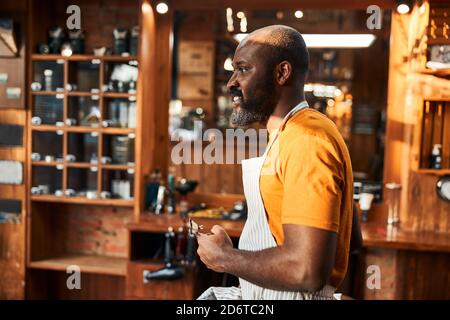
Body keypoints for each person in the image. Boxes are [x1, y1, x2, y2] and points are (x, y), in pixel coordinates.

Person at [197, 25, 354, 300]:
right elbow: (351, 239)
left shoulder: (307, 140)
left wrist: (225, 258)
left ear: (282, 73)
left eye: (243, 69)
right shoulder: (286, 133)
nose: (231, 82)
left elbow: (307, 271)